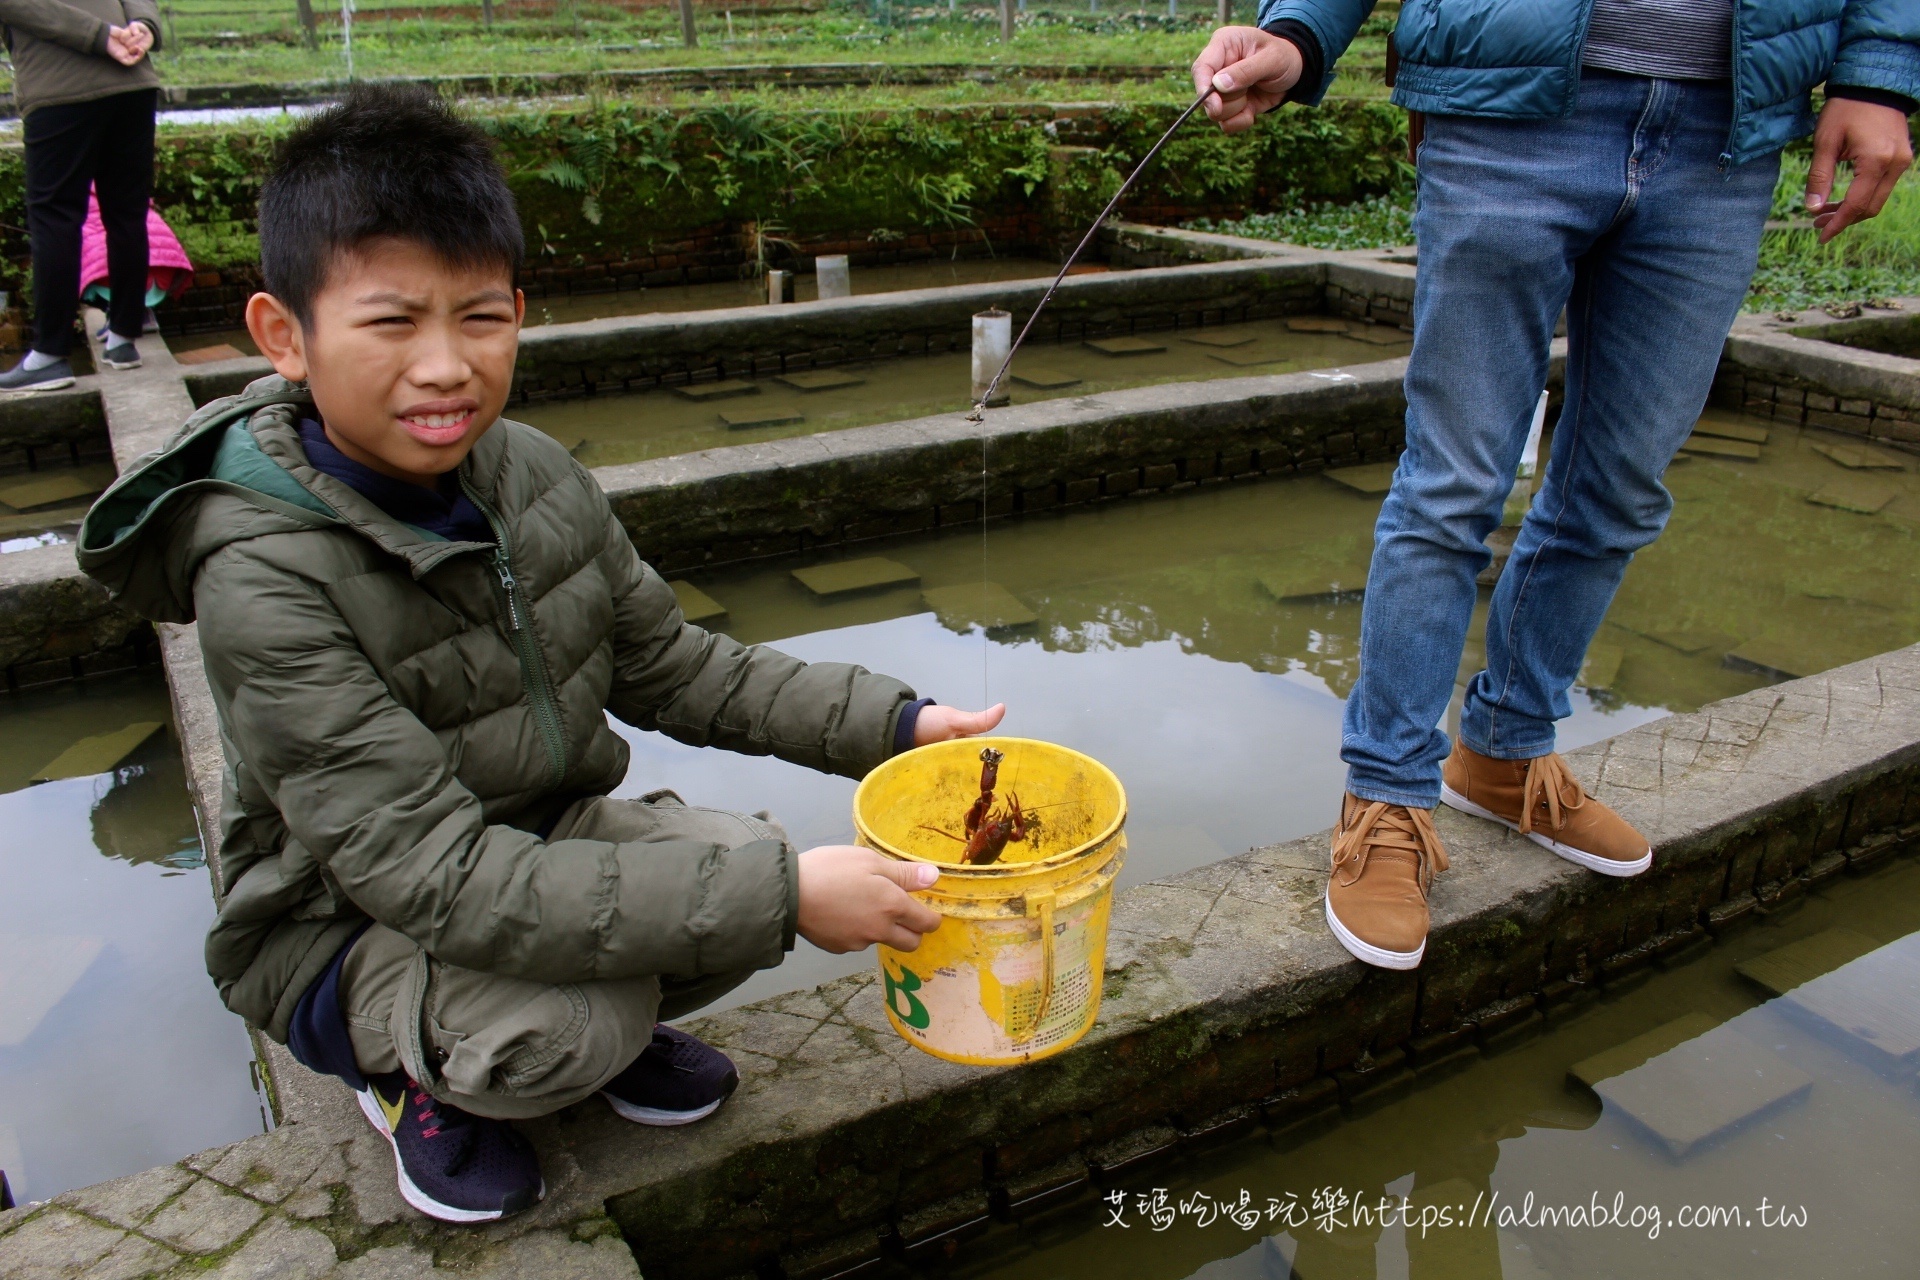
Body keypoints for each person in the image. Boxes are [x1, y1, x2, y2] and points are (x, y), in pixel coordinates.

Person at [76, 85, 1006, 1224]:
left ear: (518, 311)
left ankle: (578, 1027)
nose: (444, 366)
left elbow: (675, 665)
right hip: (339, 921)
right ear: (285, 336)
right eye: (391, 321)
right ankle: (413, 1080)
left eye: (478, 317)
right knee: (623, 989)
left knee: (732, 854)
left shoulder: (528, 473)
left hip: (529, 834)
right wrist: (785, 896)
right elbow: (440, 875)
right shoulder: (262, 575)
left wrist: (897, 725)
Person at [1193, 2, 1917, 969]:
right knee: (1455, 482)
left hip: (1724, 138)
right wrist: (1302, 29)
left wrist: (1877, 76)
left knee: (1618, 486)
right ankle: (1387, 795)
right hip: (1509, 112)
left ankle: (1502, 752)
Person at [0, 0, 163, 390]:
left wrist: (101, 36)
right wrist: (144, 26)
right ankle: (124, 338)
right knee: (127, 212)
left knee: (55, 218)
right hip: (131, 83)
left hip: (61, 89)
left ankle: (50, 355)